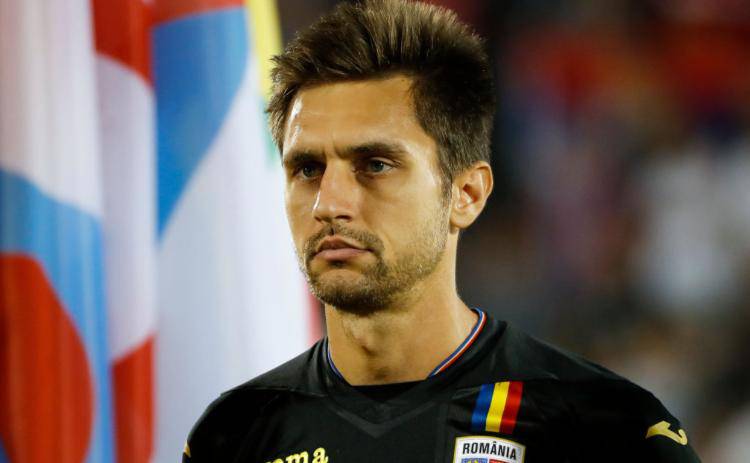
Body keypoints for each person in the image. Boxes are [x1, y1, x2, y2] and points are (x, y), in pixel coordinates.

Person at [183, 1, 702, 461]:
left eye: (375, 164)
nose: (329, 203)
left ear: (466, 194)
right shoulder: (233, 436)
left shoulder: (605, 430)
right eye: (307, 169)